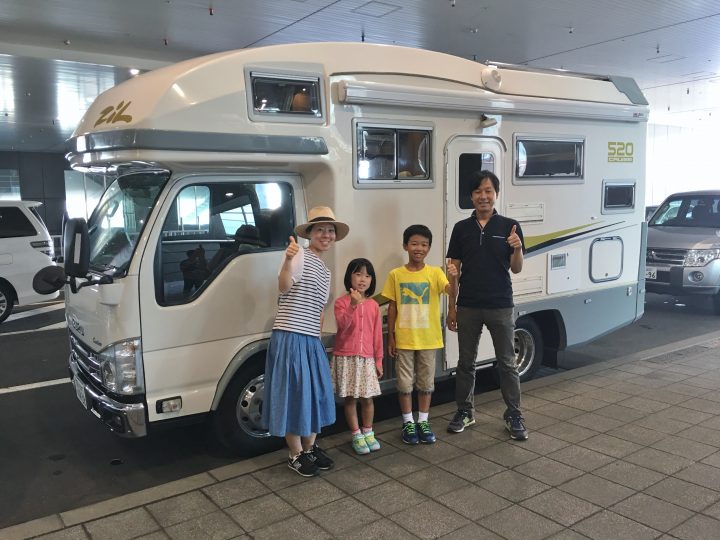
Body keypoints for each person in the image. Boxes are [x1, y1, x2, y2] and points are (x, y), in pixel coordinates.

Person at [263, 206, 349, 477]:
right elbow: (284, 286)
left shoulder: (325, 270)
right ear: (310, 233)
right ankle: (295, 453)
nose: (326, 235)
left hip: (311, 340)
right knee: (293, 394)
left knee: (314, 394)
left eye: (330, 230)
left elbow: (319, 310)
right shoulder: (298, 253)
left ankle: (310, 448)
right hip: (290, 336)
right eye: (320, 229)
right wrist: (288, 260)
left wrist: (318, 341)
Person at [446, 170, 528, 441]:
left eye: (488, 191)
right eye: (478, 191)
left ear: (496, 194)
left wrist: (517, 248)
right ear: (471, 196)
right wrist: (452, 307)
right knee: (465, 363)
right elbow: (453, 271)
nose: (483, 196)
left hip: (500, 304)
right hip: (468, 305)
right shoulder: (461, 228)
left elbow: (516, 269)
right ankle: (464, 411)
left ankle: (514, 415)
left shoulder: (510, 226)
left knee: (507, 363)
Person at [381, 225, 457, 445]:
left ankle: (423, 421)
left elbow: (451, 292)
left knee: (426, 383)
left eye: (424, 245)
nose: (419, 248)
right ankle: (408, 422)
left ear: (429, 248)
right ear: (405, 246)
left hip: (428, 339)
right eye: (414, 243)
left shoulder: (435, 273)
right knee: (404, 384)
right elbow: (392, 307)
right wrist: (391, 336)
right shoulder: (396, 274)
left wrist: (454, 277)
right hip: (404, 339)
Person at [332, 258, 384, 455]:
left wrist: (378, 360)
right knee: (351, 399)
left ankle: (368, 432)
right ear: (350, 277)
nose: (363, 279)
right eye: (358, 274)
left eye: (368, 275)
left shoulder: (373, 305)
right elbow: (342, 327)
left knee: (368, 398)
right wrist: (352, 306)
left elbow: (377, 335)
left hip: (366, 358)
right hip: (347, 357)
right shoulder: (341, 303)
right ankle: (356, 435)